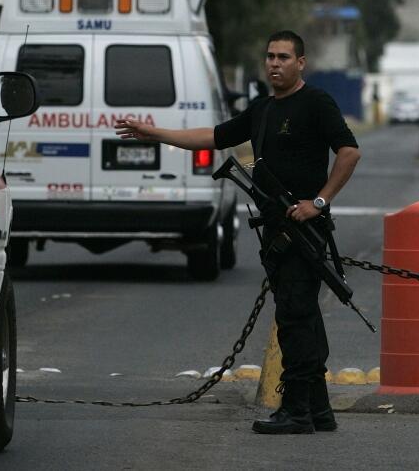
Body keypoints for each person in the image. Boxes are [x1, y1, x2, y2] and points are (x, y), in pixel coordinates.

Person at [115, 30, 360, 435]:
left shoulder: (316, 102)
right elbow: (213, 136)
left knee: (296, 318)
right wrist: (156, 133)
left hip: (304, 230)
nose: (274, 63)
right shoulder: (262, 109)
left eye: (283, 57)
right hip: (276, 230)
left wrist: (318, 202)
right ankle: (318, 410)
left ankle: (297, 411)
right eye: (270, 56)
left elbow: (349, 151)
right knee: (303, 317)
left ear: (301, 63)